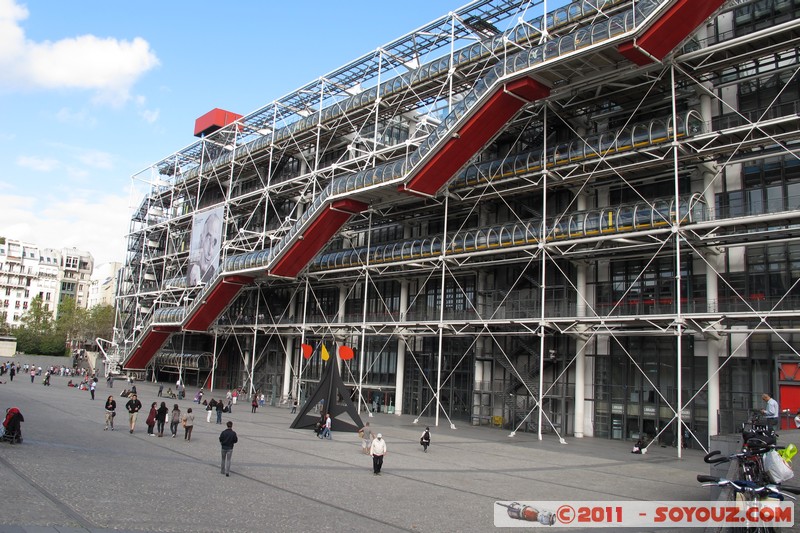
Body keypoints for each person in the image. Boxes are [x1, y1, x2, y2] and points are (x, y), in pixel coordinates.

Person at [188, 211, 221, 285]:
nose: (210, 251)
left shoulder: (215, 274)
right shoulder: (191, 268)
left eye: (214, 243)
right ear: (201, 238)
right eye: (209, 239)